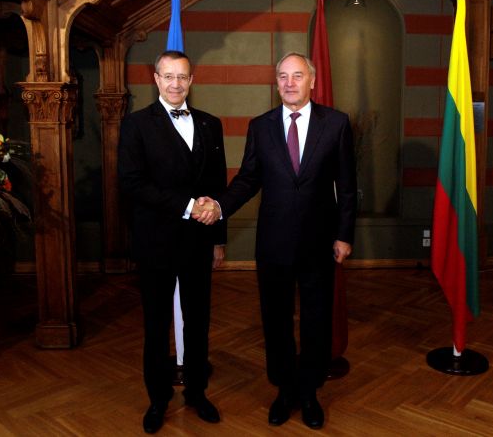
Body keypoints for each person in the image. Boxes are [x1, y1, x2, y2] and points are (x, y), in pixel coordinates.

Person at [197, 52, 357, 430]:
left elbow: (348, 185)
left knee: (316, 320)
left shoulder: (336, 124)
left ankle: (310, 392)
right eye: (283, 76)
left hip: (320, 242)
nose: (289, 83)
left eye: (297, 75)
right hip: (273, 244)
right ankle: (284, 390)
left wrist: (344, 234)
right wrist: (219, 206)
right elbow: (248, 179)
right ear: (276, 82)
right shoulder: (261, 126)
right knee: (276, 320)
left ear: (312, 81)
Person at [118, 50, 227, 434]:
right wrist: (186, 205)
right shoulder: (136, 125)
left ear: (191, 80)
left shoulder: (211, 124)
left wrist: (218, 239)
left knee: (198, 322)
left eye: (182, 77)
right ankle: (158, 399)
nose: (176, 84)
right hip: (156, 242)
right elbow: (131, 183)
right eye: (168, 76)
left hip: (199, 241)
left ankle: (197, 392)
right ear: (156, 79)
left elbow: (218, 186)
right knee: (156, 324)